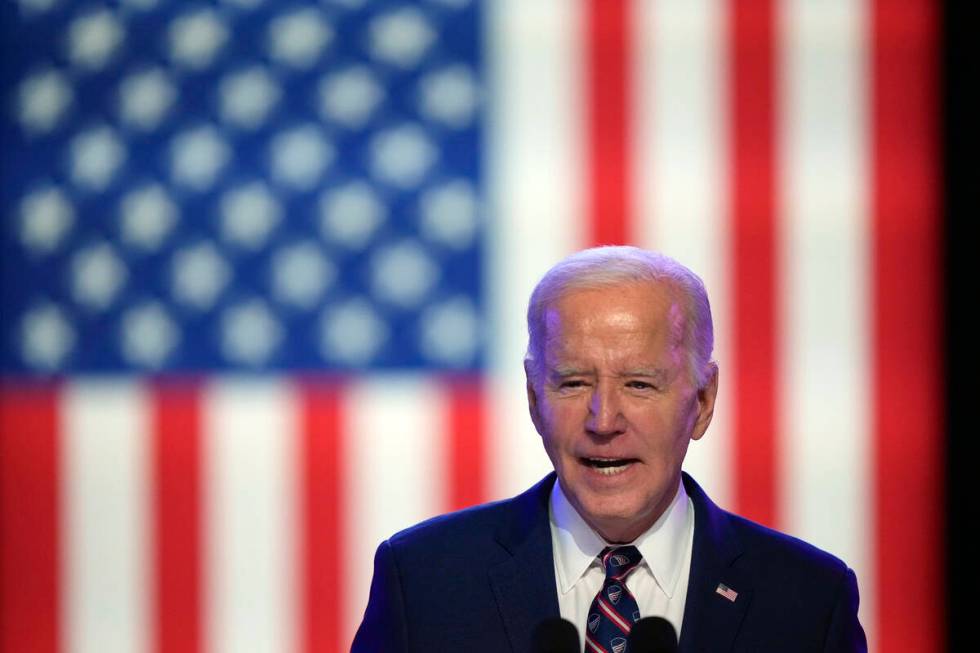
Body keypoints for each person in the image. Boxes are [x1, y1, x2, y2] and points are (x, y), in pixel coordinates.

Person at [352, 246, 867, 652]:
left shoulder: (808, 600)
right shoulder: (424, 581)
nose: (603, 421)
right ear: (534, 399)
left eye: (640, 385)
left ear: (703, 402)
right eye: (573, 383)